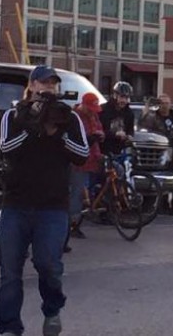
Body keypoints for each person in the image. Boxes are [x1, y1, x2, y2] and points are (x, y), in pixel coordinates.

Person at [0, 65, 89, 336]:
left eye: (53, 84)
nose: (48, 88)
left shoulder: (68, 117)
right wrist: (31, 126)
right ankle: (10, 328)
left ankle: (52, 309)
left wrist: (55, 132)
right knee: (10, 271)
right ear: (32, 85)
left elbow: (82, 154)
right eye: (43, 83)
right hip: (16, 203)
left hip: (52, 206)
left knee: (48, 264)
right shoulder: (14, 114)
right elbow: (5, 148)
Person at [140, 93, 173, 212]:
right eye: (162, 103)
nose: (164, 106)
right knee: (164, 179)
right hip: (163, 153)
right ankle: (162, 206)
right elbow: (145, 129)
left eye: (167, 103)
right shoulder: (153, 117)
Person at [68, 92, 105, 243]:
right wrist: (91, 138)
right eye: (90, 108)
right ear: (83, 104)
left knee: (115, 172)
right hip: (79, 161)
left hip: (93, 158)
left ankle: (101, 208)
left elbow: (100, 128)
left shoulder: (94, 116)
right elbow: (76, 139)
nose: (92, 111)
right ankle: (72, 225)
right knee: (77, 193)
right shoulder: (74, 117)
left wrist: (100, 134)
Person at [99, 81, 135, 156]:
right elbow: (98, 131)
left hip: (121, 152)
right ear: (115, 95)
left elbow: (130, 130)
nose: (124, 101)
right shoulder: (103, 110)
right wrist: (114, 134)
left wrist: (129, 136)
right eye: (122, 97)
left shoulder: (129, 113)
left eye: (127, 97)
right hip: (103, 150)